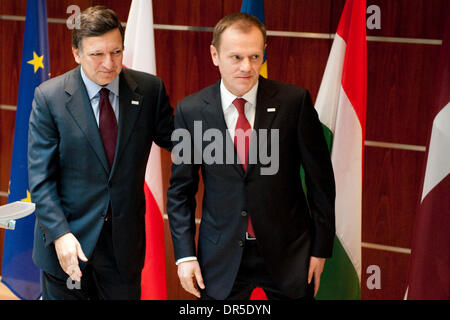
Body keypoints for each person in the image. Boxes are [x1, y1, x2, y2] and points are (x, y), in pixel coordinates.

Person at [167, 13, 336, 300]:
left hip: (289, 255)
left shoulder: (294, 103)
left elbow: (321, 183)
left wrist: (320, 250)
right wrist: (184, 256)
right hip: (220, 258)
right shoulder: (191, 110)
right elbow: (180, 191)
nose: (247, 67)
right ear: (214, 55)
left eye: (255, 56)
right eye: (236, 57)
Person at [28, 6, 174, 299]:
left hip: (122, 250)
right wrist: (60, 234)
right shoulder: (50, 98)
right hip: (68, 245)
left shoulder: (148, 90)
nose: (109, 63)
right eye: (97, 54)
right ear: (77, 53)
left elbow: (179, 141)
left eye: (116, 52)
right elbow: (41, 180)